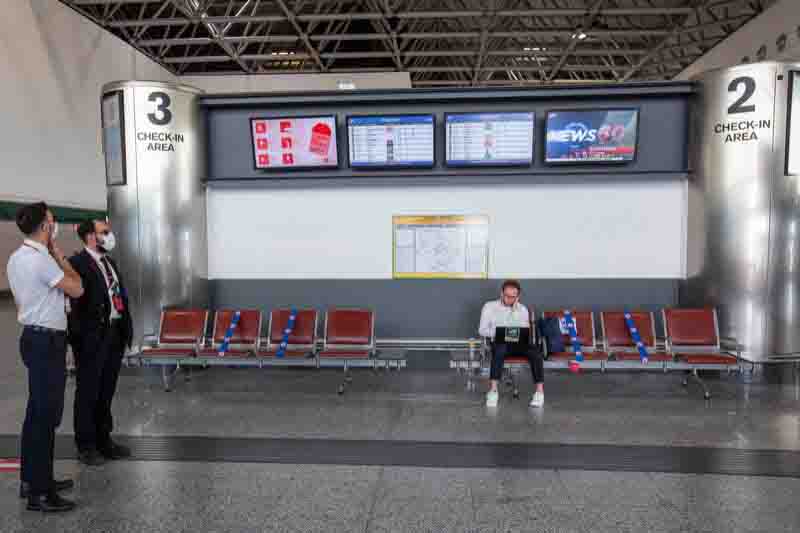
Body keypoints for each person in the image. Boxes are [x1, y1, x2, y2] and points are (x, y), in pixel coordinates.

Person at [7, 202, 83, 512]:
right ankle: (40, 492)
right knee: (45, 417)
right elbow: (77, 288)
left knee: (35, 414)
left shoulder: (16, 258)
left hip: (33, 338)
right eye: (52, 221)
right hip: (46, 343)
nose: (55, 226)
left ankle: (33, 479)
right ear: (44, 228)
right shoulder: (42, 261)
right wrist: (59, 255)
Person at [68, 218, 133, 466]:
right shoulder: (77, 264)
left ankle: (104, 439)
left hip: (114, 334)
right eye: (104, 232)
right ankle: (86, 445)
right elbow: (74, 307)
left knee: (106, 390)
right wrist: (79, 339)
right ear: (90, 237)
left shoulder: (109, 262)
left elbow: (118, 297)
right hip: (92, 338)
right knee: (88, 392)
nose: (109, 235)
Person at [478, 280, 544, 408]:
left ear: (517, 296)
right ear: (501, 293)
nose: (509, 299)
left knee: (535, 352)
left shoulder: (522, 309)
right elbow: (482, 330)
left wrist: (514, 312)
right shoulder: (489, 307)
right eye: (507, 296)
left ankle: (539, 392)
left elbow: (524, 331)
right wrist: (499, 333)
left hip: (518, 343)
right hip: (498, 341)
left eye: (513, 297)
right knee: (499, 350)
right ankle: (493, 391)